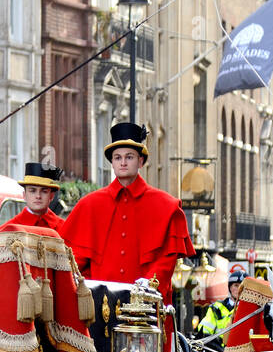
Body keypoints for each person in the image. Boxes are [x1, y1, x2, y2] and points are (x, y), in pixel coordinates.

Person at [60, 122, 193, 304]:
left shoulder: (166, 205)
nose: (123, 162)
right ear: (112, 163)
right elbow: (74, 260)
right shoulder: (89, 205)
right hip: (99, 306)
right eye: (117, 157)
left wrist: (148, 285)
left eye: (129, 157)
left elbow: (166, 259)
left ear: (140, 161)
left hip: (147, 307)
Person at [0, 163, 64, 232]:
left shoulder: (64, 228)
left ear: (51, 196)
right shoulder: (7, 230)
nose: (38, 196)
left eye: (44, 191)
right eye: (32, 191)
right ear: (24, 195)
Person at [195, 269, 245, 351]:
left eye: (242, 286)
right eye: (236, 285)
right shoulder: (216, 307)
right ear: (230, 287)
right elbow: (205, 331)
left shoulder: (249, 310)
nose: (239, 289)